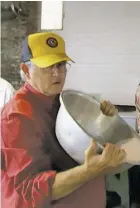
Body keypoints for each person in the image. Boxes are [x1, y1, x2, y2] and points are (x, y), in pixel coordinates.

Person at [1, 32, 126, 208]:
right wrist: (89, 170)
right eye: (47, 66)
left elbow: (88, 151)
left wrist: (103, 120)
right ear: (26, 70)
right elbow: (28, 190)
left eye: (61, 65)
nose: (57, 73)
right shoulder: (17, 116)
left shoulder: (64, 102)